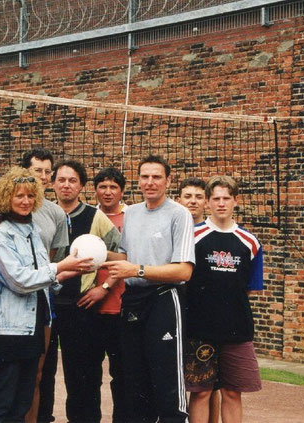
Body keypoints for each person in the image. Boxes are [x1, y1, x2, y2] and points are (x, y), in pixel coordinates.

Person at [0, 167, 93, 422]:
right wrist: (60, 267)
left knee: (22, 400)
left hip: (34, 325)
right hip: (9, 329)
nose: (25, 201)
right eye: (19, 196)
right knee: (1, 401)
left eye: (31, 196)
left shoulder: (30, 228)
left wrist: (67, 273)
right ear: (7, 197)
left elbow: (42, 277)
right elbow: (18, 280)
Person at [103, 154, 194, 423]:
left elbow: (184, 271)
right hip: (133, 300)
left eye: (156, 177)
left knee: (167, 381)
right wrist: (94, 256)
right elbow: (126, 258)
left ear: (168, 180)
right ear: (138, 180)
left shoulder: (179, 214)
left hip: (165, 299)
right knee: (134, 380)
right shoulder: (130, 213)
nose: (150, 182)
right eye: (145, 177)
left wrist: (137, 270)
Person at [181, 175, 263, 423]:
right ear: (207, 202)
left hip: (237, 329)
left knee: (232, 392)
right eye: (215, 198)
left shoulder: (250, 242)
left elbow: (248, 287)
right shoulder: (193, 236)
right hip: (199, 329)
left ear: (236, 201)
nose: (221, 203)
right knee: (201, 391)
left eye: (226, 198)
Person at [45, 159, 120, 423]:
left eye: (73, 180)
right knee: (42, 373)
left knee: (84, 376)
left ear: (81, 186)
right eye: (61, 180)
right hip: (47, 305)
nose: (66, 185)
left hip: (82, 306)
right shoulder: (42, 213)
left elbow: (122, 255)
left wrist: (104, 285)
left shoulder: (94, 216)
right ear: (53, 183)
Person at [20, 147, 69, 423]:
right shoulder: (5, 207)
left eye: (46, 172)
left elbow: (53, 260)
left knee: (36, 372)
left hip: (42, 299)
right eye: (36, 170)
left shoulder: (55, 213)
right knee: (0, 371)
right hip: (9, 299)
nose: (42, 176)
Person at [177, 177, 221, 423]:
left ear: (206, 201)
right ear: (178, 199)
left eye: (198, 197)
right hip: (174, 312)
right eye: (187, 196)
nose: (192, 201)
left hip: (203, 317)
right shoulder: (172, 228)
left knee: (208, 383)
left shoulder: (213, 233)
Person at [86, 167, 128, 422]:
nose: (108, 191)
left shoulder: (132, 217)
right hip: (90, 308)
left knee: (122, 376)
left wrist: (104, 287)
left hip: (121, 308)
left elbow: (130, 259)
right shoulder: (89, 217)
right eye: (103, 186)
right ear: (96, 190)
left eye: (113, 187)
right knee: (89, 376)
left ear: (122, 191)